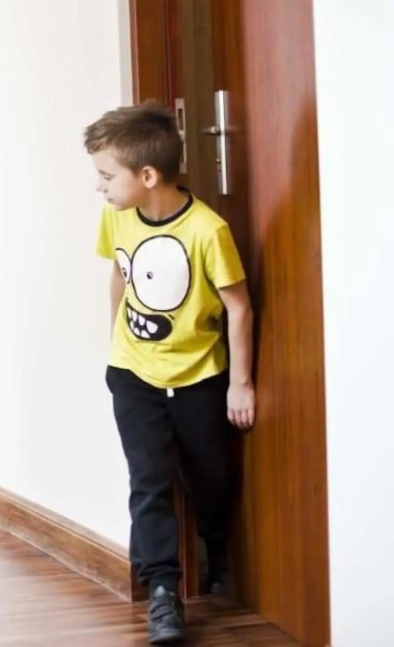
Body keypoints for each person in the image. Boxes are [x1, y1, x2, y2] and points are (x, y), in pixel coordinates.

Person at [85, 101, 256, 644]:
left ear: (147, 176)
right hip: (133, 375)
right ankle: (162, 592)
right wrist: (115, 344)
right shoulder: (117, 216)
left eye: (106, 176)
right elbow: (120, 274)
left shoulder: (207, 230)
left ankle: (216, 547)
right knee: (149, 481)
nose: (99, 187)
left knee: (211, 477)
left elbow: (238, 307)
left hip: (199, 377)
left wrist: (240, 383)